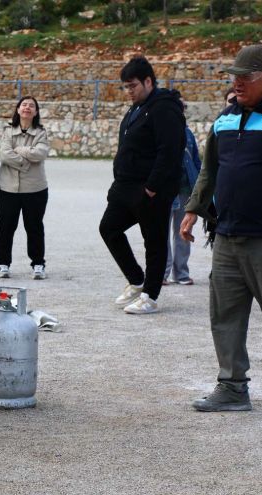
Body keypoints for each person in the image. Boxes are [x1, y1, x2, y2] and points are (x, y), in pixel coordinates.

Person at [182, 44, 262, 418]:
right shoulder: (225, 118)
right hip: (228, 235)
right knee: (225, 315)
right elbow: (209, 171)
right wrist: (193, 209)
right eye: (234, 76)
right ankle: (232, 387)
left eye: (245, 77)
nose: (237, 83)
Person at [98, 56, 186, 314]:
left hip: (151, 190)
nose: (129, 91)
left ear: (149, 81)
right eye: (125, 87)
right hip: (125, 187)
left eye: (132, 85)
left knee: (154, 240)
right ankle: (137, 280)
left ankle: (151, 295)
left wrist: (151, 187)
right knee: (109, 228)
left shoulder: (164, 107)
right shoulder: (135, 107)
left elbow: (169, 151)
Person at [0, 95, 50, 280]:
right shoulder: (7, 131)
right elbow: (4, 155)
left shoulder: (41, 132)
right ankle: (3, 263)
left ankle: (38, 264)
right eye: (24, 104)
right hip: (8, 188)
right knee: (5, 227)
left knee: (34, 227)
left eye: (31, 106)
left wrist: (19, 150)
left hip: (35, 189)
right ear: (18, 109)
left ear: (36, 112)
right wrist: (26, 162)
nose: (27, 108)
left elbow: (41, 153)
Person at [164, 110, 201, 286]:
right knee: (161, 234)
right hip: (165, 190)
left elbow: (196, 161)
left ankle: (181, 273)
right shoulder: (160, 130)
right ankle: (162, 274)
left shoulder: (188, 133)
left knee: (183, 232)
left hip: (186, 190)